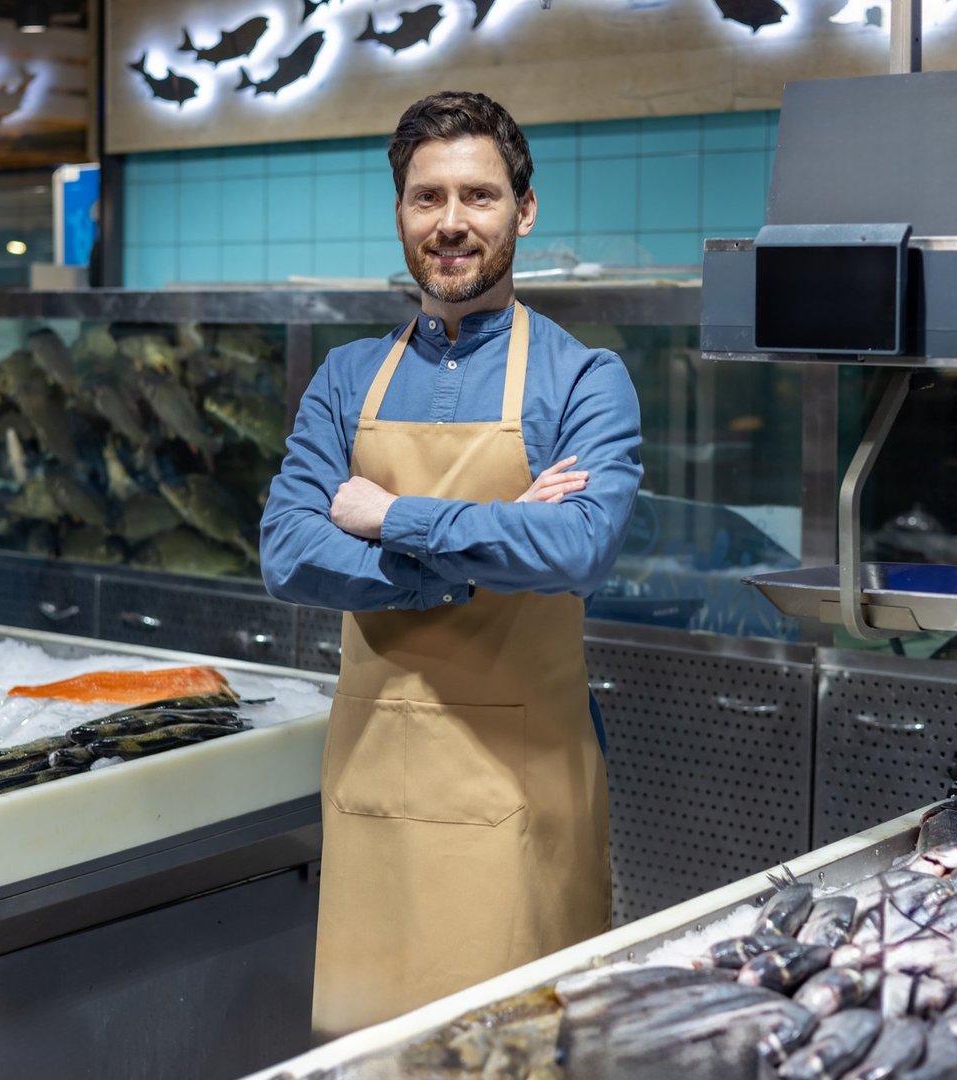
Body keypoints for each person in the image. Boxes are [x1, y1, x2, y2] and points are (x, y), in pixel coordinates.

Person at [259, 90, 643, 1039]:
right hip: (376, 781)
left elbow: (578, 545)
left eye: (477, 195)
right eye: (427, 199)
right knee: (372, 1054)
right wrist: (471, 558)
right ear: (401, 214)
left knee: (517, 1049)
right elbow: (288, 552)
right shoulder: (347, 377)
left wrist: (391, 516)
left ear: (524, 209)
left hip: (524, 790)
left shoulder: (585, 377)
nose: (452, 224)